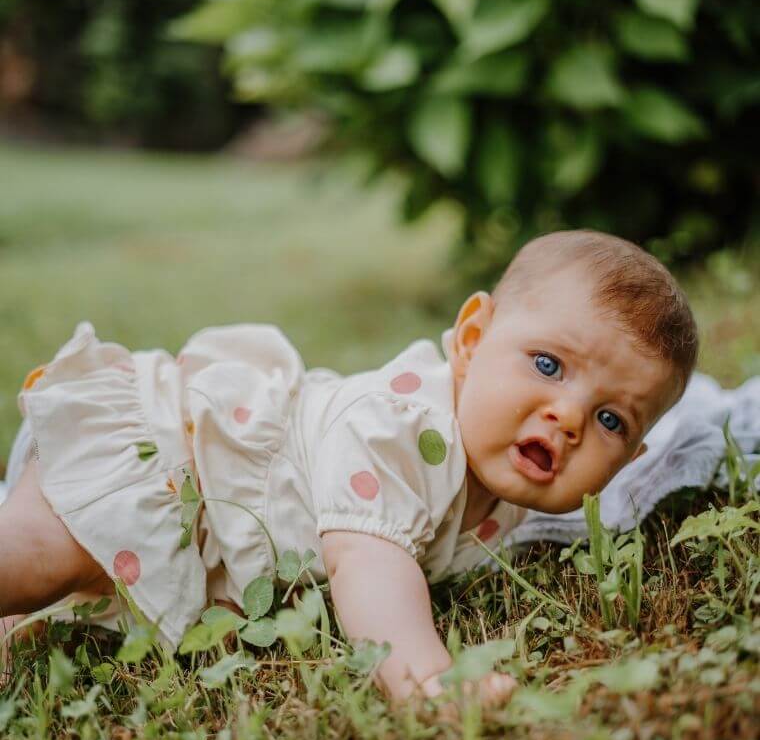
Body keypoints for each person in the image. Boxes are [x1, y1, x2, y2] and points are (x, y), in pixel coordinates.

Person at [0, 230, 698, 706]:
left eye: (611, 420)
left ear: (628, 462)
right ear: (473, 340)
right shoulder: (403, 429)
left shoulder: (508, 480)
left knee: (53, 595)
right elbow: (368, 562)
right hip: (166, 462)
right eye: (547, 365)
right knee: (33, 558)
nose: (569, 417)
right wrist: (426, 682)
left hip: (191, 532)